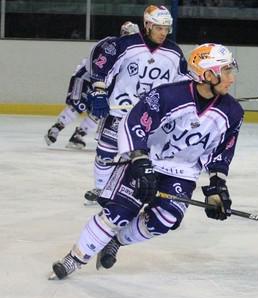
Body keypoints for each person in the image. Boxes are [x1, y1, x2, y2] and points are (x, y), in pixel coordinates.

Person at [50, 43, 243, 280]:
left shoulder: (233, 112)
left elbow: (223, 151)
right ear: (207, 73)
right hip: (147, 160)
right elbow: (134, 124)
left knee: (165, 219)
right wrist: (140, 160)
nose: (231, 78)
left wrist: (216, 188)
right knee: (118, 213)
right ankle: (74, 259)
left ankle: (116, 241)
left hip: (182, 172)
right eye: (226, 71)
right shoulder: (167, 95)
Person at [83, 5, 190, 205]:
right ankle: (101, 188)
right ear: (147, 25)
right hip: (121, 110)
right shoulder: (125, 45)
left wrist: (197, 95)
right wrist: (99, 91)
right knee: (106, 152)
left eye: (166, 28)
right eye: (159, 28)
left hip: (152, 116)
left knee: (145, 157)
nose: (163, 33)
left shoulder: (174, 52)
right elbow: (102, 67)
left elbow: (182, 80)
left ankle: (136, 191)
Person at [44, 21, 140, 150]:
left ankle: (78, 136)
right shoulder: (110, 45)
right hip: (86, 77)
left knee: (99, 111)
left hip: (104, 83)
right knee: (79, 104)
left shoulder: (132, 53)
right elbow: (94, 62)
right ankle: (56, 129)